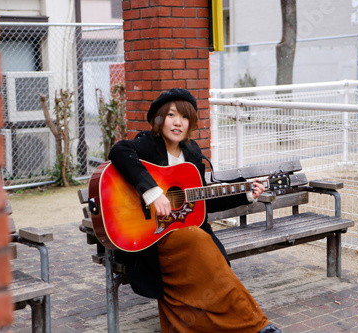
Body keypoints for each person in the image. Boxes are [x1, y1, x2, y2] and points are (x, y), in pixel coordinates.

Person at [108, 88, 281, 333]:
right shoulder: (148, 145)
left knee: (208, 254)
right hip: (151, 238)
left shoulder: (192, 154)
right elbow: (119, 152)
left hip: (189, 237)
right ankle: (255, 326)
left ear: (191, 124)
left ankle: (240, 324)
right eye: (170, 115)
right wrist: (153, 192)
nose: (177, 122)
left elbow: (201, 200)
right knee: (201, 243)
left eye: (185, 117)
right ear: (159, 120)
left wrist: (244, 194)